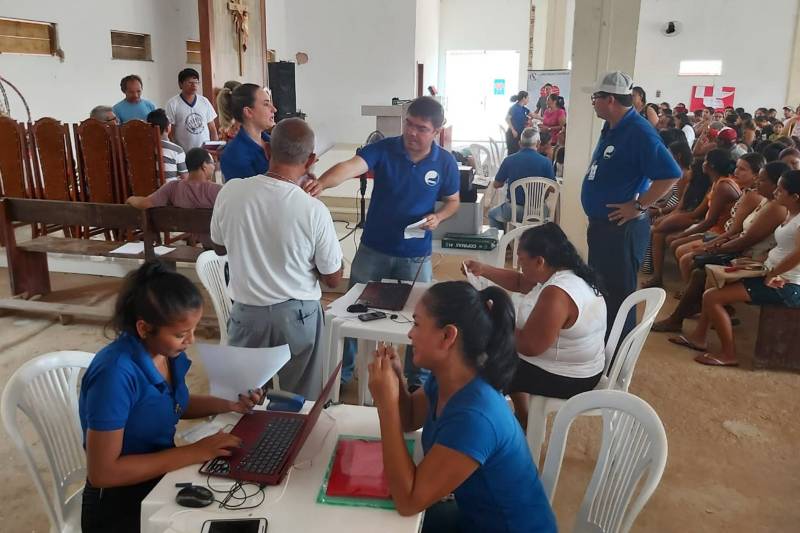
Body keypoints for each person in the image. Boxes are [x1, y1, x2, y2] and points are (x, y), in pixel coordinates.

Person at [79, 261, 259, 532]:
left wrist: (229, 405)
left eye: (193, 330)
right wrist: (196, 451)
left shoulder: (165, 354)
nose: (191, 340)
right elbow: (103, 473)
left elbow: (175, 403)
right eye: (180, 334)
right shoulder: (115, 374)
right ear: (143, 328)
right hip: (118, 501)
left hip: (158, 474)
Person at [367, 281, 557, 533]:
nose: (410, 334)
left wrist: (386, 404)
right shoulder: (449, 377)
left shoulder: (476, 416)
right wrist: (398, 383)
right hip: (474, 518)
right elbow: (411, 418)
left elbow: (408, 500)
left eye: (417, 323)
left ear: (447, 336)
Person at [305, 96, 460, 389]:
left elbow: (452, 202)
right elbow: (351, 166)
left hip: (415, 254)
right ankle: (344, 373)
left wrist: (439, 217)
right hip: (373, 248)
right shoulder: (385, 149)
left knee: (421, 318)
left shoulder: (445, 162)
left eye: (421, 129)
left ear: (436, 132)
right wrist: (323, 183)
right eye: (409, 124)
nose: (412, 133)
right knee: (351, 312)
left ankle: (417, 379)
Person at [211, 118, 343, 397]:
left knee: (242, 401)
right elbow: (333, 278)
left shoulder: (230, 192)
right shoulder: (313, 209)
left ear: (267, 151)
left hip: (247, 313)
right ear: (311, 160)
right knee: (301, 399)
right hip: (297, 316)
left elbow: (220, 247)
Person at [464, 224, 606, 427]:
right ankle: (524, 419)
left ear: (540, 261)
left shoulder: (557, 293)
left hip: (569, 379)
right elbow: (521, 282)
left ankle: (487, 428)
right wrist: (483, 270)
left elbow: (529, 347)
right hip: (584, 367)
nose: (521, 268)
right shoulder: (567, 271)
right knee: (499, 352)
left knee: (479, 362)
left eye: (522, 261)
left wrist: (493, 316)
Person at [582, 71, 681, 338]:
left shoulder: (639, 132)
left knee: (618, 294)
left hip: (621, 229)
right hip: (604, 226)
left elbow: (671, 174)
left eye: (595, 98)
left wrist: (639, 206)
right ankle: (601, 346)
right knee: (602, 288)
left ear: (610, 100)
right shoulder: (612, 127)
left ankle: (616, 356)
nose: (593, 103)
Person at [670, 169, 800, 366]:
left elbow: (797, 255)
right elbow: (782, 247)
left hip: (786, 285)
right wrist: (762, 262)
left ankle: (728, 353)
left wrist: (774, 272)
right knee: (711, 281)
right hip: (770, 272)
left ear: (795, 196)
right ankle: (699, 337)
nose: (776, 193)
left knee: (712, 297)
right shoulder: (790, 213)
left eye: (781, 191)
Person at [653, 161, 790, 333]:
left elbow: (745, 239)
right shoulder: (764, 201)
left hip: (752, 260)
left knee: (699, 268)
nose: (757, 182)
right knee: (698, 271)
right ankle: (687, 320)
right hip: (745, 254)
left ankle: (682, 318)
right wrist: (714, 245)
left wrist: (715, 248)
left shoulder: (776, 208)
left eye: (763, 180)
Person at [127, 147, 220, 247]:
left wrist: (131, 199)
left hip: (205, 246)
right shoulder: (216, 190)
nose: (214, 166)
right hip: (221, 246)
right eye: (212, 162)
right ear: (204, 166)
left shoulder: (173, 187)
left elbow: (146, 203)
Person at [487, 127, 555, 230]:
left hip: (514, 210)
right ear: (538, 143)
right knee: (545, 212)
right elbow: (553, 188)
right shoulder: (546, 162)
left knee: (492, 214)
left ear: (520, 143)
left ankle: (501, 243)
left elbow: (497, 184)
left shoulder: (509, 160)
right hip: (539, 211)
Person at [220, 83, 275, 181]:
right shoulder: (234, 154)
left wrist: (307, 179)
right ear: (248, 112)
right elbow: (253, 193)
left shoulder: (274, 142)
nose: (274, 109)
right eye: (266, 104)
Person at [165, 68, 218, 151]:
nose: (194, 85)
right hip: (184, 154)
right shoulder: (172, 104)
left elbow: (212, 129)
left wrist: (214, 151)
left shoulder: (204, 101)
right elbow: (170, 133)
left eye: (196, 82)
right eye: (190, 82)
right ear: (180, 84)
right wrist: (177, 153)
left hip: (205, 152)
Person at [145, 109, 187, 181]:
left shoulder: (143, 148)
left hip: (147, 190)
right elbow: (185, 178)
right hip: (169, 190)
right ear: (167, 128)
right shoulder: (177, 150)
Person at [505, 90, 530, 155]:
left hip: (519, 135)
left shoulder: (523, 109)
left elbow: (533, 115)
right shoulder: (514, 108)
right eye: (528, 98)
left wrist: (542, 119)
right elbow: (507, 119)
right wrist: (513, 130)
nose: (528, 100)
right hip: (512, 135)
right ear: (524, 98)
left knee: (518, 153)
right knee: (512, 154)